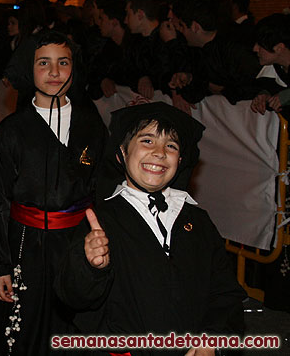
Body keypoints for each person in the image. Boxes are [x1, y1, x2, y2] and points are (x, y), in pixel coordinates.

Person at [55, 102, 246, 356]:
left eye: (171, 146)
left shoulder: (198, 221)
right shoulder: (102, 222)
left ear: (180, 159)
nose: (159, 152)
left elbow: (224, 293)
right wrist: (90, 267)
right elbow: (73, 296)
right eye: (147, 141)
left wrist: (211, 340)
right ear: (122, 153)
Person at [0, 30, 107, 355]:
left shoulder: (91, 125)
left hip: (75, 243)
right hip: (25, 245)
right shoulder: (13, 130)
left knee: (71, 326)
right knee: (20, 328)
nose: (54, 72)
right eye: (43, 63)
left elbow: (102, 190)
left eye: (63, 62)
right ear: (28, 68)